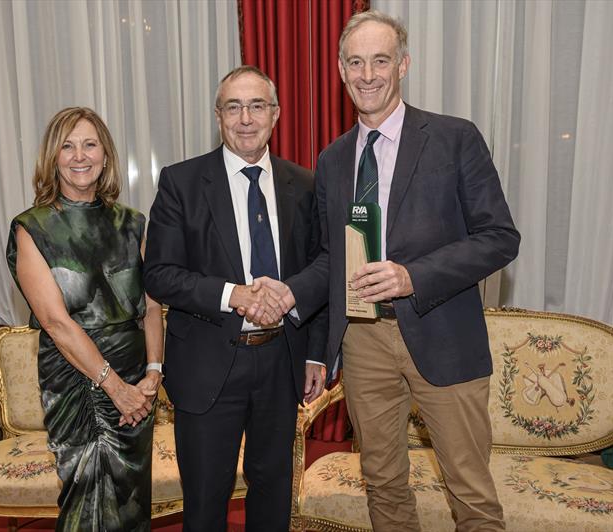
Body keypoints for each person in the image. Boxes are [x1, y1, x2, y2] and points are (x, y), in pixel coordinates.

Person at [256, 10, 521, 532]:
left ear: (403, 64)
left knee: (469, 490)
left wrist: (412, 276)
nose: (368, 74)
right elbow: (333, 258)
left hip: (443, 335)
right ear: (340, 70)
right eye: (356, 62)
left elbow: (500, 238)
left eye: (380, 60)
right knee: (383, 483)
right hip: (362, 343)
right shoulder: (332, 160)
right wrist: (289, 294)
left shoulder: (453, 138)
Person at [143, 65, 327, 532]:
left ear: (276, 114)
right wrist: (233, 295)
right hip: (208, 367)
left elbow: (320, 273)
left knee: (272, 494)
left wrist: (317, 356)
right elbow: (159, 275)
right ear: (218, 116)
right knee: (205, 501)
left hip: (281, 365)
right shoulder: (181, 183)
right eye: (234, 107)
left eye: (257, 105)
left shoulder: (304, 185)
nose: (246, 118)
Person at [6, 107, 163, 531]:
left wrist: (152, 373)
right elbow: (57, 323)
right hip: (79, 379)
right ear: (52, 157)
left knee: (131, 497)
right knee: (88, 495)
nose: (80, 155)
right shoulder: (32, 228)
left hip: (135, 383)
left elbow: (150, 306)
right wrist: (115, 388)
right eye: (68, 145)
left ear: (106, 155)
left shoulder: (132, 224)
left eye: (90, 144)